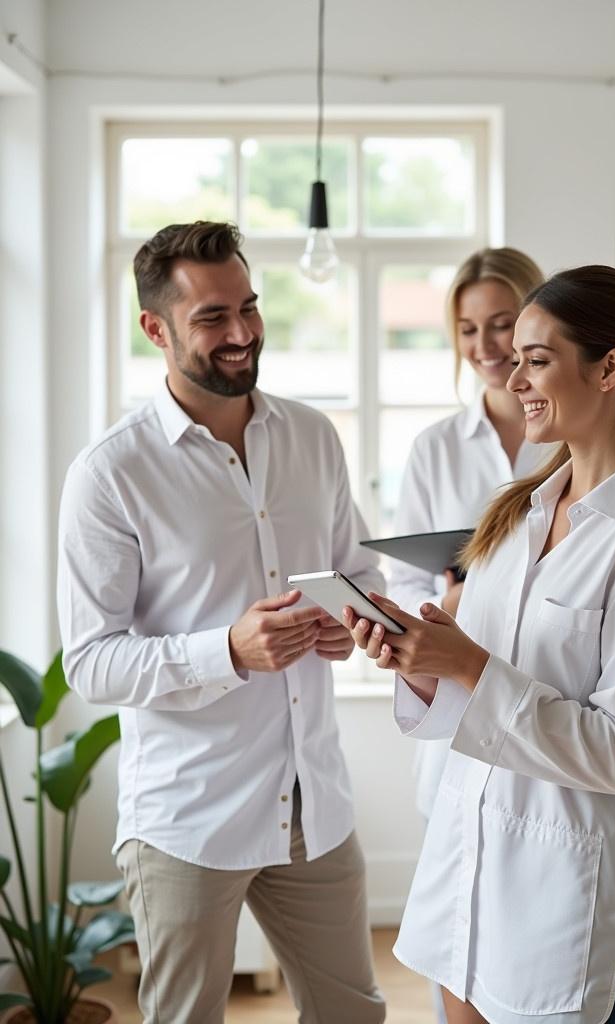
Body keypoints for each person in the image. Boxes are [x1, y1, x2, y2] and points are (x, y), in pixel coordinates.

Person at [345, 265, 615, 1024]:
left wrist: (468, 664)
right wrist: (422, 662)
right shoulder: (516, 516)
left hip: (563, 906)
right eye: (513, 359)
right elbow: (471, 702)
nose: (513, 379)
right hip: (465, 880)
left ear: (609, 369)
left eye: (536, 359)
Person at [57, 221, 386, 1024]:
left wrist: (353, 619)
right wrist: (226, 652)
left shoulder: (313, 436)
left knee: (354, 1016)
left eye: (249, 307)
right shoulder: (110, 474)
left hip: (315, 804)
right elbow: (91, 661)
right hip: (187, 820)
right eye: (211, 318)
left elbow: (360, 570)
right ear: (155, 329)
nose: (241, 334)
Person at [388, 248, 553, 1024]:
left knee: (540, 941)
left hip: (549, 703)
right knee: (461, 932)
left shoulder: (575, 435)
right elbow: (406, 585)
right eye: (466, 329)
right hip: (457, 713)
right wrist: (442, 602)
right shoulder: (434, 449)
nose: (486, 347)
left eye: (501, 325)